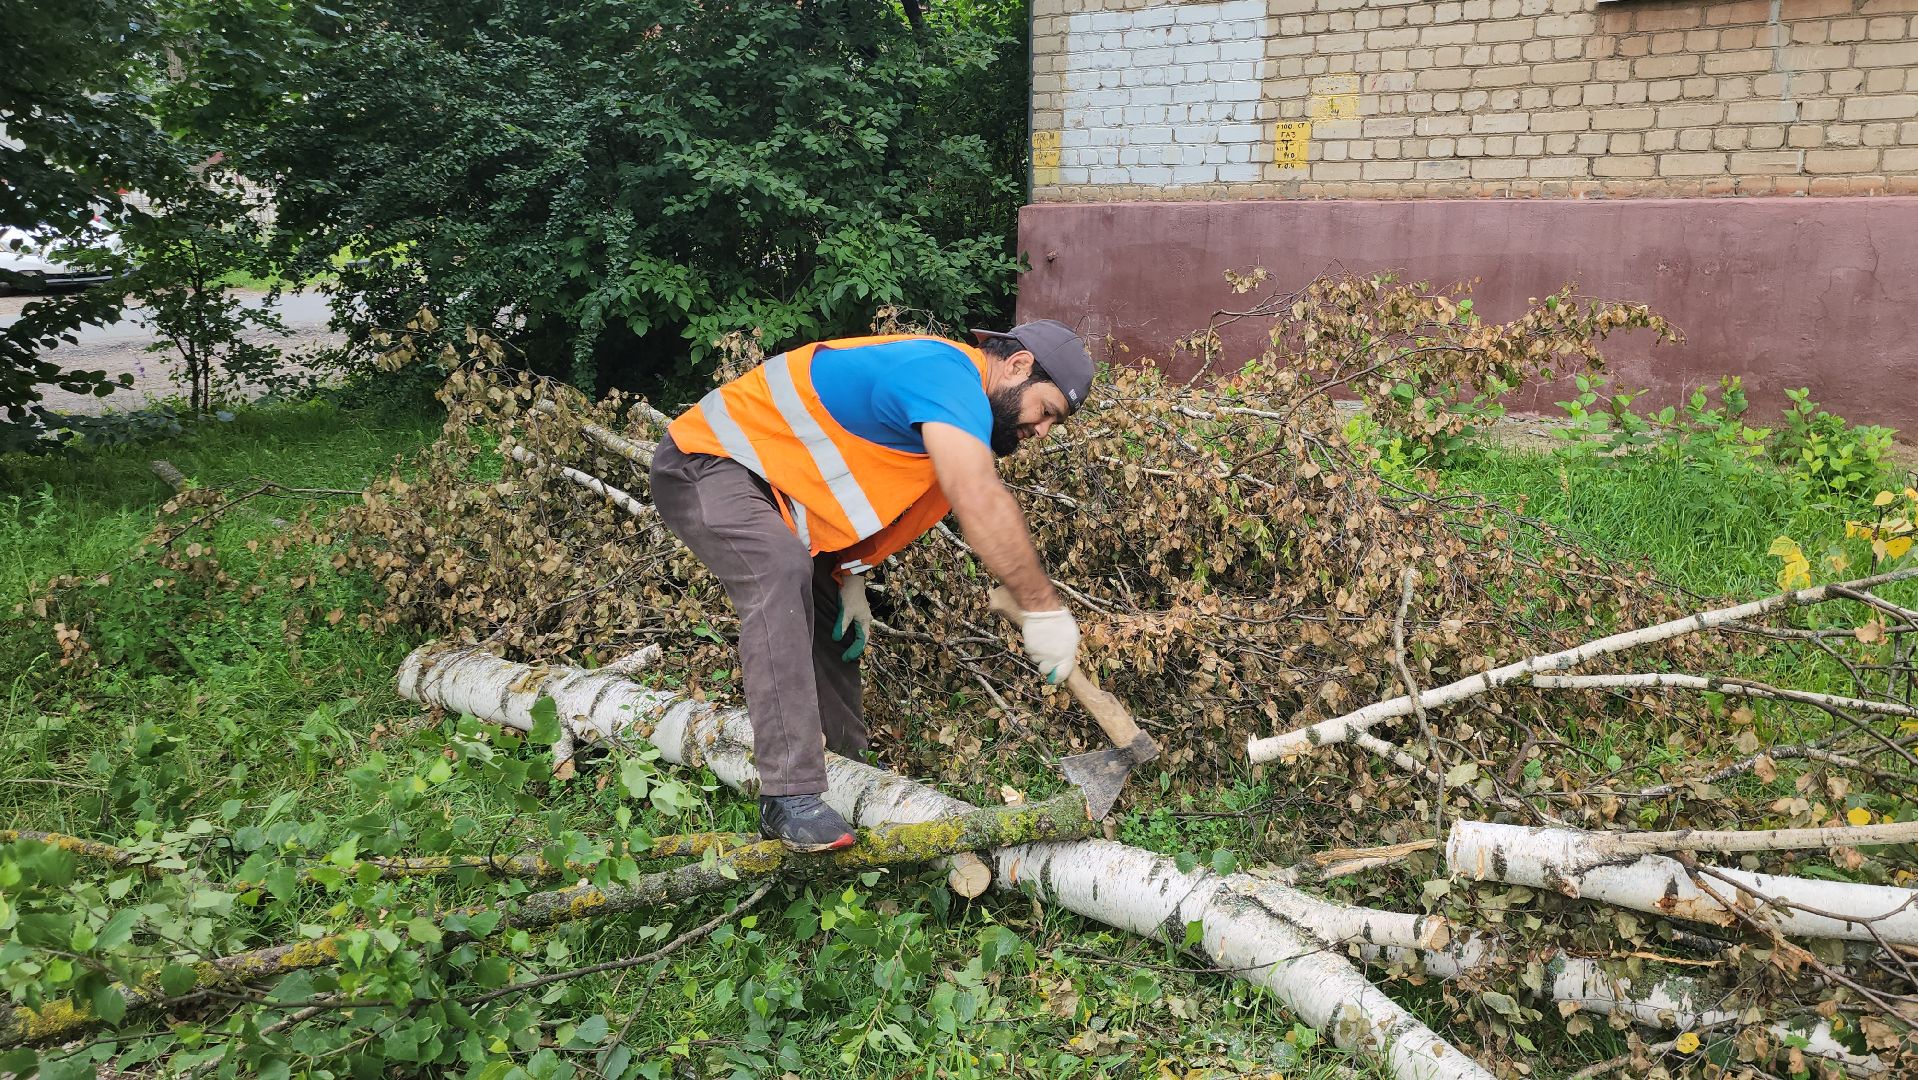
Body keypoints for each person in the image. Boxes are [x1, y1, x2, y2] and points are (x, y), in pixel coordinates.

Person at [649, 320, 1094, 850]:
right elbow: (978, 495)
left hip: (785, 500)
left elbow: (865, 501)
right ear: (1018, 366)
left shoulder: (953, 423)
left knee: (830, 617)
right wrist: (1043, 608)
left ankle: (851, 776)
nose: (1041, 431)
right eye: (1046, 412)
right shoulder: (944, 374)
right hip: (708, 462)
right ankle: (789, 795)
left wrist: (851, 576)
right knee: (779, 569)